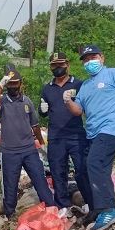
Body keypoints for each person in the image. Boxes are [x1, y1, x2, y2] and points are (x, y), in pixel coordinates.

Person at [65, 45, 115, 230]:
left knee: (95, 163)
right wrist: (68, 101)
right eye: (85, 59)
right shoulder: (86, 86)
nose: (89, 62)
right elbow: (78, 111)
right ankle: (97, 208)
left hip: (112, 129)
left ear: (102, 58)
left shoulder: (114, 74)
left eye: (93, 57)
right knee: (83, 170)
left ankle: (109, 208)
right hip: (93, 133)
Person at [0, 70, 56, 217]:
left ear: (21, 84)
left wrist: (41, 143)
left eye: (16, 83)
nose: (13, 87)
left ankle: (51, 209)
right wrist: (0, 86)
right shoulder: (3, 101)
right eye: (10, 84)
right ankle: (9, 214)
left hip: (29, 150)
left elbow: (35, 125)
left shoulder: (27, 101)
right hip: (9, 151)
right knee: (10, 185)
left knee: (40, 179)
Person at [39, 52, 90, 211]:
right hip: (56, 137)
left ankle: (90, 203)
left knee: (82, 170)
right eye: (54, 65)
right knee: (57, 172)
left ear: (67, 64)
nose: (58, 67)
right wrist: (42, 110)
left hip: (76, 135)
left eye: (61, 64)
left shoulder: (79, 85)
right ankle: (63, 205)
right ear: (50, 67)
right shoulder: (47, 88)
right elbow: (44, 112)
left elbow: (87, 107)